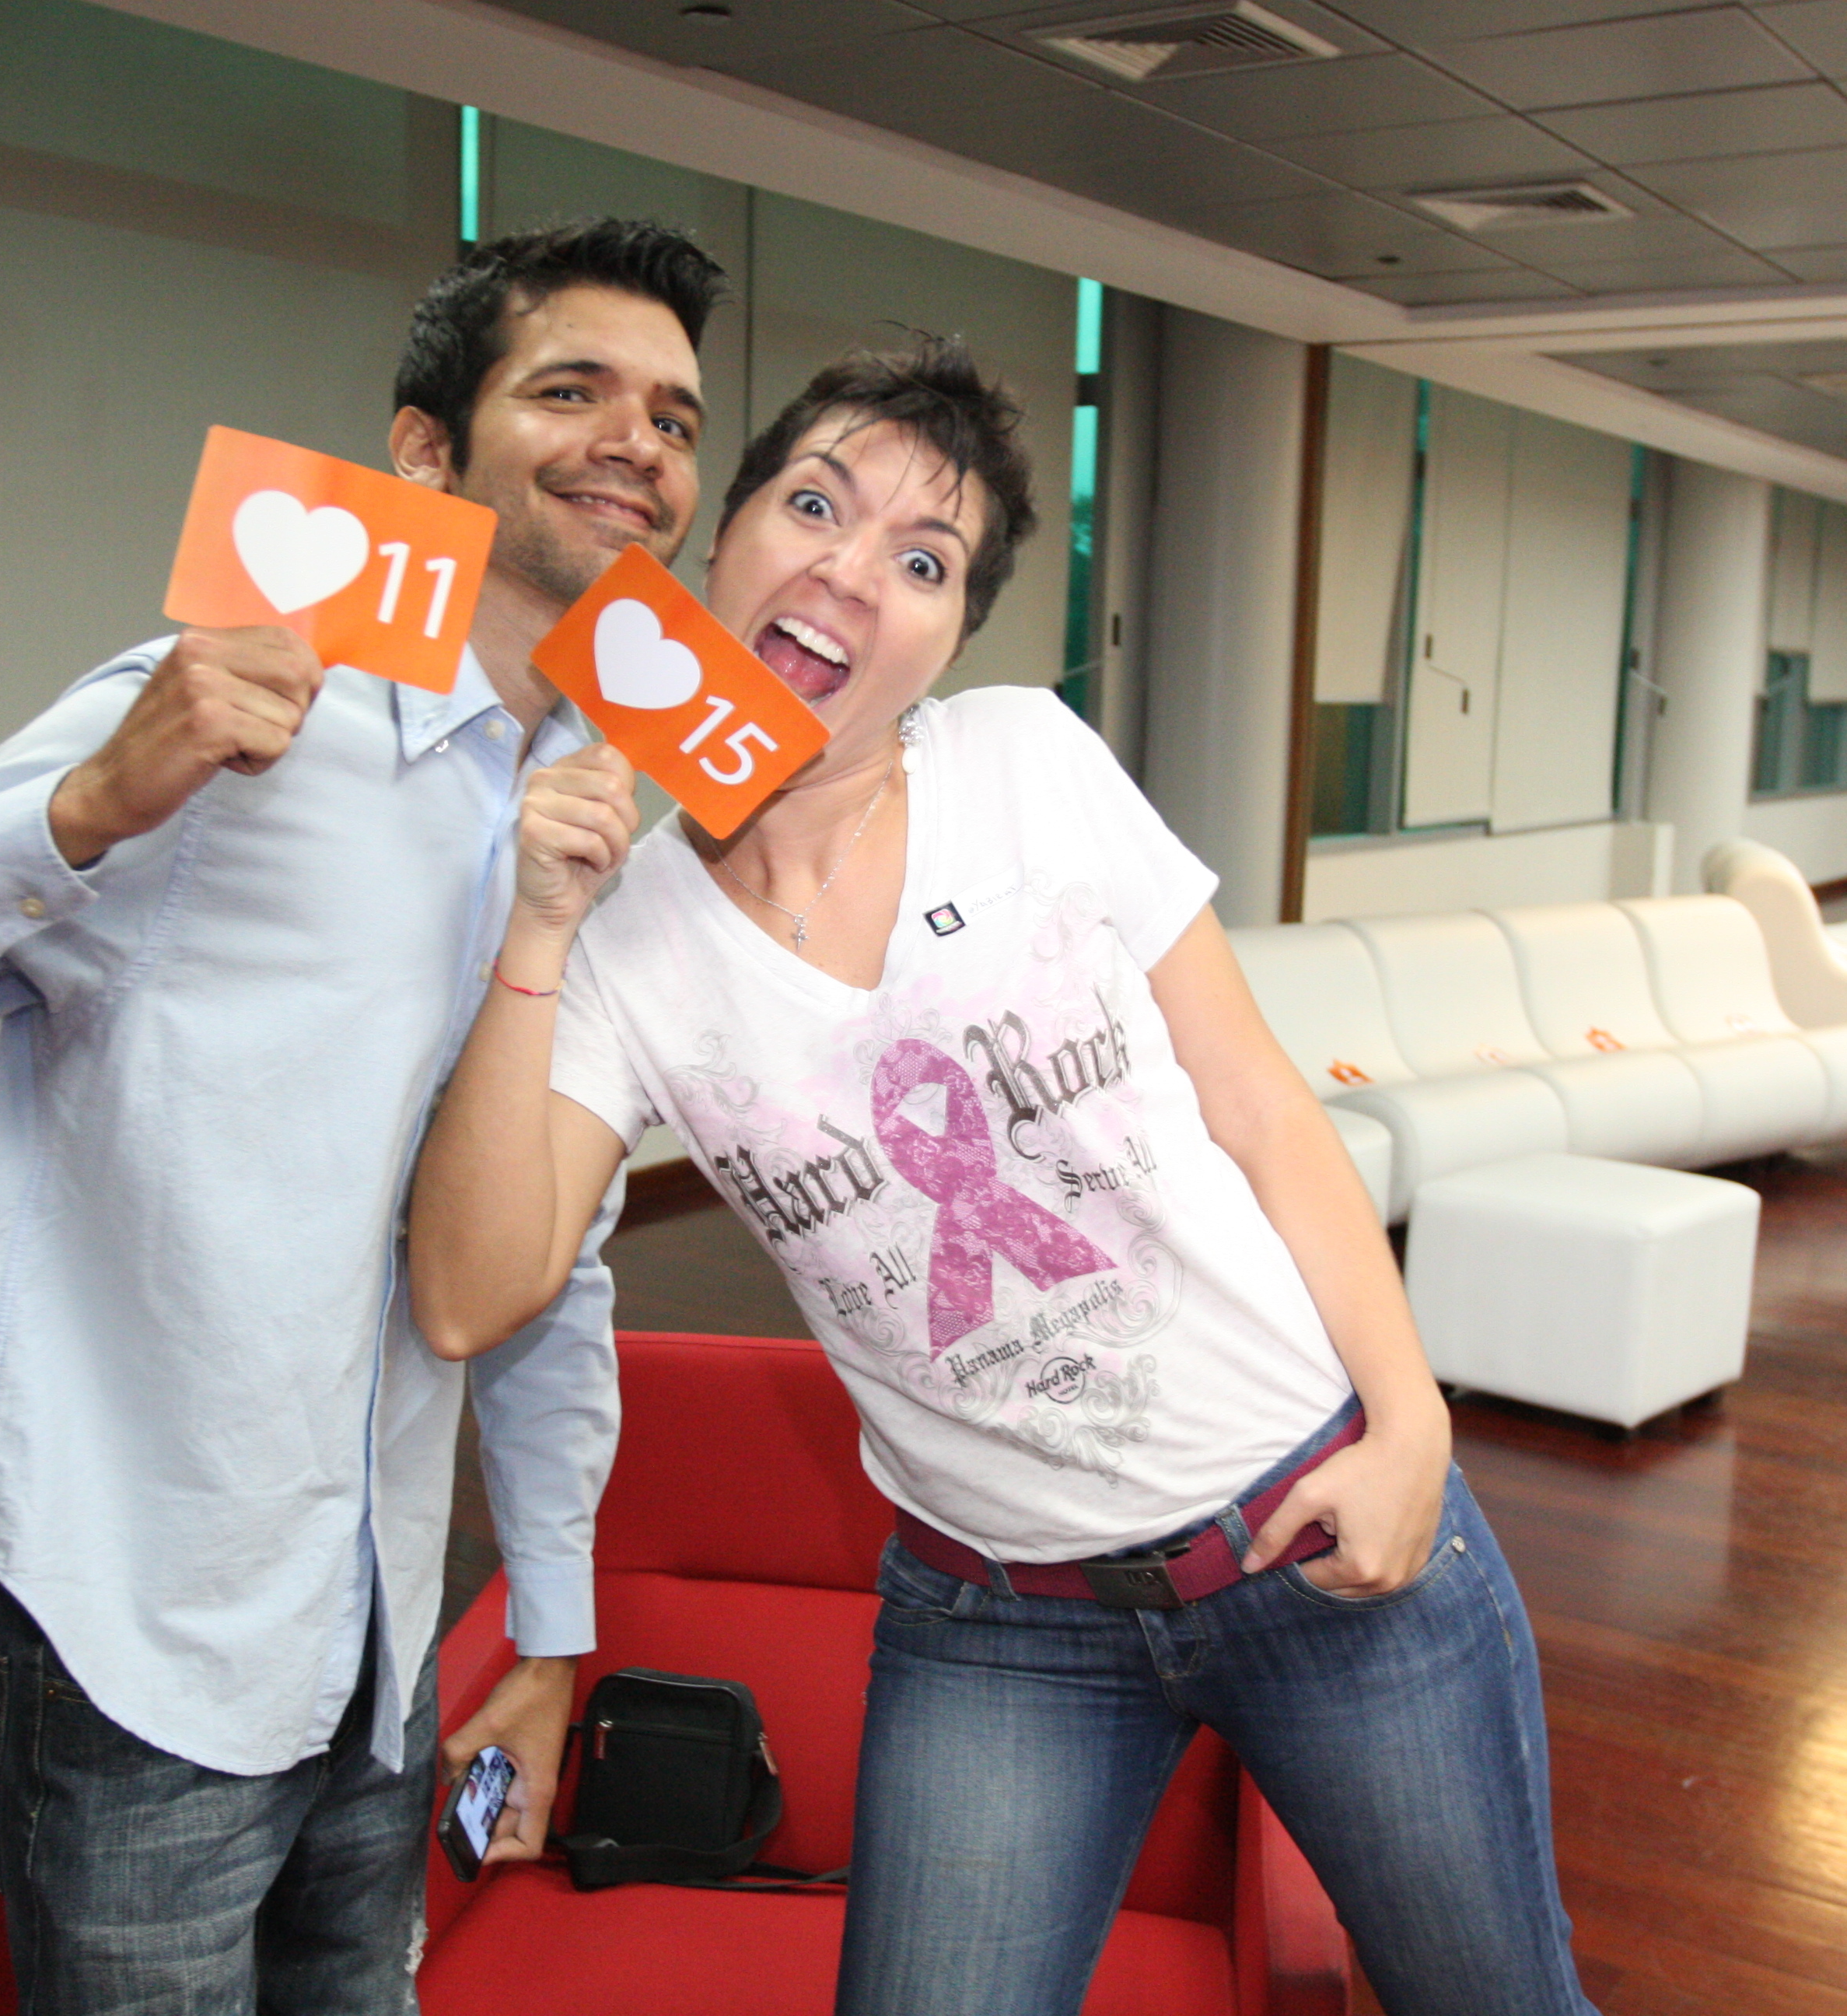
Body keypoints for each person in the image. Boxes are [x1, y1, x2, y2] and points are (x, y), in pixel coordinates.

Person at [407, 340, 1600, 2016]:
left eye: (925, 562)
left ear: (951, 638)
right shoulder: (625, 927)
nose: (852, 572)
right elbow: (471, 1294)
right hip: (999, 1620)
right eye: (813, 505)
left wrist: (1414, 1426)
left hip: (1306, 1530)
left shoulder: (1025, 759)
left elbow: (1261, 1105)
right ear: (719, 539)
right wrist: (538, 928)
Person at [0, 218, 726, 2014]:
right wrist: (85, 807)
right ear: (423, 451)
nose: (639, 442)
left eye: (677, 418)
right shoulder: (220, 728)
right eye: (573, 391)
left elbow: (555, 1251)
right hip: (136, 1633)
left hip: (382, 1633)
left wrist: (549, 1626)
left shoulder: (595, 811)